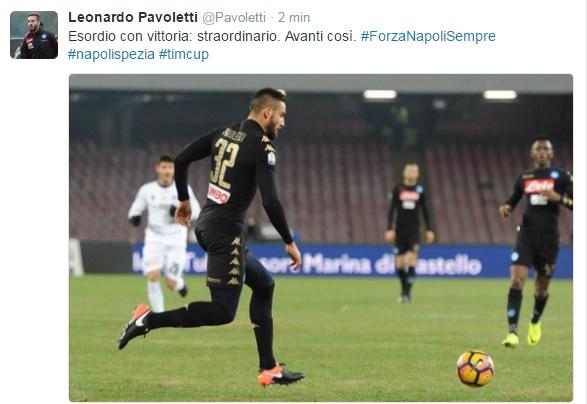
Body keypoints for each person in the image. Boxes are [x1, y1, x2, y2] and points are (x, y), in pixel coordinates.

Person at [119, 88, 304, 387]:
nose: (283, 122)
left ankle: (269, 367)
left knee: (264, 284)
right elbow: (270, 201)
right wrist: (289, 241)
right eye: (281, 115)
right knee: (223, 312)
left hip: (209, 224)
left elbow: (181, 160)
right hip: (226, 232)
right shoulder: (262, 147)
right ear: (267, 112)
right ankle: (147, 319)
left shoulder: (223, 133)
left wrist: (183, 200)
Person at [500, 137, 573, 348]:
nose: (541, 152)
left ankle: (535, 320)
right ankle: (512, 332)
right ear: (532, 154)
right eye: (538, 149)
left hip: (549, 239)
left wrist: (559, 198)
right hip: (526, 235)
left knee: (541, 289)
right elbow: (512, 201)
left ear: (551, 153)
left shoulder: (562, 177)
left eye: (545, 149)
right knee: (517, 280)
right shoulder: (525, 178)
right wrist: (506, 208)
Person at [128, 155, 200, 312]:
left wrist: (182, 211)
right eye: (164, 167)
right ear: (158, 169)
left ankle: (180, 284)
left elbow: (196, 210)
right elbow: (137, 206)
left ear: (174, 170)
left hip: (176, 238)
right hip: (154, 238)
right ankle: (159, 315)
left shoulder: (183, 189)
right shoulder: (147, 190)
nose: (167, 171)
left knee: (171, 283)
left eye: (170, 167)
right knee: (153, 275)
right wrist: (134, 216)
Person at [384, 164, 434, 302]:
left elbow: (425, 210)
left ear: (417, 174)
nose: (412, 173)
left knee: (411, 259)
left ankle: (406, 294)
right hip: (400, 230)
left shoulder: (420, 190)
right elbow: (392, 210)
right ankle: (403, 291)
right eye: (409, 170)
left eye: (414, 171)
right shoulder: (398, 189)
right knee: (399, 263)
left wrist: (429, 229)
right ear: (404, 173)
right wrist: (389, 228)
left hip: (414, 230)